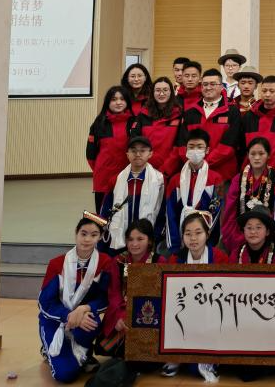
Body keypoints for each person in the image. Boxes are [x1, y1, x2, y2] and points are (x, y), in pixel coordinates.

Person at [38, 213, 114, 383]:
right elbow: (45, 303)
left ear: (100, 237)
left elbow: (105, 298)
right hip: (55, 321)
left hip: (84, 318)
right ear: (76, 234)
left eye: (93, 235)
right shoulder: (57, 264)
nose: (87, 239)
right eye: (83, 233)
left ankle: (82, 352)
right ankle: (52, 349)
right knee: (65, 375)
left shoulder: (105, 263)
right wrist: (68, 315)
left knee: (92, 323)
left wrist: (84, 308)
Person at [161, 211, 227, 383]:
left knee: (195, 370)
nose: (193, 238)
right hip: (183, 314)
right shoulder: (176, 259)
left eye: (198, 233)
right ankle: (177, 356)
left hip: (211, 315)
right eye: (188, 234)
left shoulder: (219, 257)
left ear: (207, 234)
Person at [100, 219, 159, 359]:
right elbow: (114, 293)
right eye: (130, 239)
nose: (134, 244)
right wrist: (120, 317)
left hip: (149, 314)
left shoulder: (158, 261)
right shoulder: (119, 261)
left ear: (150, 241)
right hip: (121, 310)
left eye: (140, 239)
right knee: (107, 347)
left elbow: (159, 296)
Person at [99, 135, 165, 254]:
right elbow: (105, 210)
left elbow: (161, 212)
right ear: (127, 154)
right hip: (119, 239)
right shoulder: (116, 180)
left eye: (142, 150)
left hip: (146, 240)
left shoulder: (159, 181)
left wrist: (155, 237)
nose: (138, 154)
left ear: (150, 154)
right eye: (133, 151)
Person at [163, 130, 226, 252]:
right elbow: (170, 213)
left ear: (207, 150)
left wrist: (205, 238)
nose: (195, 150)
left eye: (199, 147)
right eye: (191, 147)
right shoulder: (175, 180)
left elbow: (216, 211)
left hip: (207, 240)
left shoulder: (216, 179)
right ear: (185, 149)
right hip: (181, 240)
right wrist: (175, 245)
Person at [181, 67, 242, 181]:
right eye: (205, 84)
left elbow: (229, 145)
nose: (208, 87)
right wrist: (195, 164)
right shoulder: (190, 112)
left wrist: (204, 163)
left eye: (213, 84)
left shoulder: (232, 111)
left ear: (221, 87)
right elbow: (182, 143)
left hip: (223, 176)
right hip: (193, 173)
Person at [221, 137, 275, 253]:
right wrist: (236, 237)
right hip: (240, 234)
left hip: (268, 234)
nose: (257, 157)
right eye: (253, 154)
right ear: (247, 155)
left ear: (268, 155)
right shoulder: (238, 179)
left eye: (261, 153)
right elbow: (230, 212)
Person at [86, 85, 137, 211]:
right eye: (114, 99)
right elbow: (91, 154)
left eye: (122, 99)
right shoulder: (99, 122)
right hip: (103, 177)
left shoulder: (134, 122)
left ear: (127, 102)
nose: (118, 102)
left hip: (128, 175)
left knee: (125, 213)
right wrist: (100, 169)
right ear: (107, 102)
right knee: (102, 213)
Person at [135, 77, 185, 180]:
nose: (161, 94)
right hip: (145, 169)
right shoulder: (142, 115)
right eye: (158, 90)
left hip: (170, 171)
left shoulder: (179, 115)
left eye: (165, 90)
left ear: (171, 92)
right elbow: (136, 142)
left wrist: (165, 170)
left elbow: (179, 145)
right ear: (152, 93)